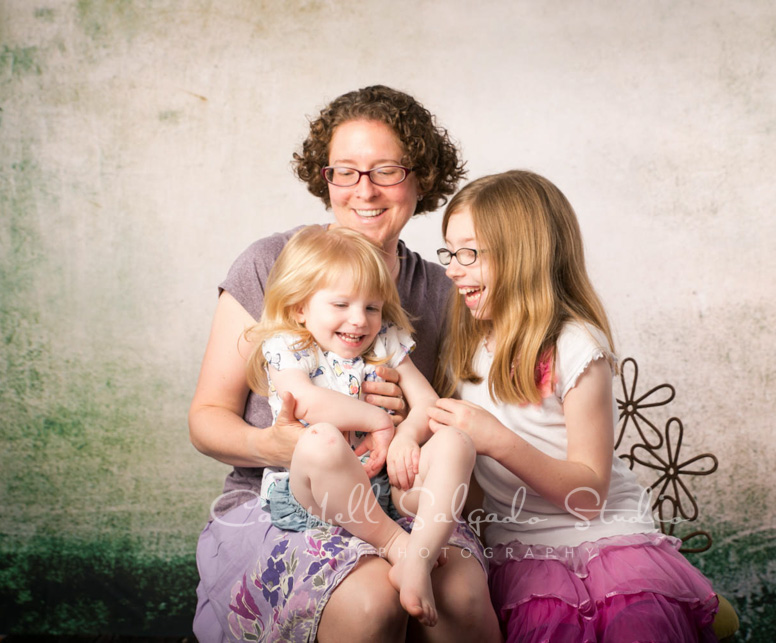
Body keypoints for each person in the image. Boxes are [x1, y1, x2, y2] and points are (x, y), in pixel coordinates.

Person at [189, 85, 500, 642]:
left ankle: (409, 554)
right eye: (345, 171)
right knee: (369, 603)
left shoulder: (442, 289)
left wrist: (408, 426)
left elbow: (462, 438)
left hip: (397, 491)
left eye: (386, 170)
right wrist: (277, 443)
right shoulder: (270, 265)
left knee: (460, 593)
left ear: (421, 176)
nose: (365, 190)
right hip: (288, 494)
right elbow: (207, 419)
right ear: (323, 176)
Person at [427, 170, 720, 642]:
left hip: (605, 540)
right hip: (522, 551)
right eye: (450, 252)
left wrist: (497, 440)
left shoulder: (576, 346)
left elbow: (587, 499)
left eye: (469, 253)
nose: (452, 268)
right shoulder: (467, 345)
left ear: (524, 254)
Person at [245, 225, 477, 628]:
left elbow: (426, 403)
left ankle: (418, 557)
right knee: (322, 440)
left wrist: (405, 435)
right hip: (318, 499)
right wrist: (379, 421)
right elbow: (308, 401)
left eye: (372, 307)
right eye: (341, 304)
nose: (360, 320)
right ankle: (393, 543)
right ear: (300, 307)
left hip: (384, 490)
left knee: (455, 440)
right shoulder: (288, 344)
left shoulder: (383, 338)